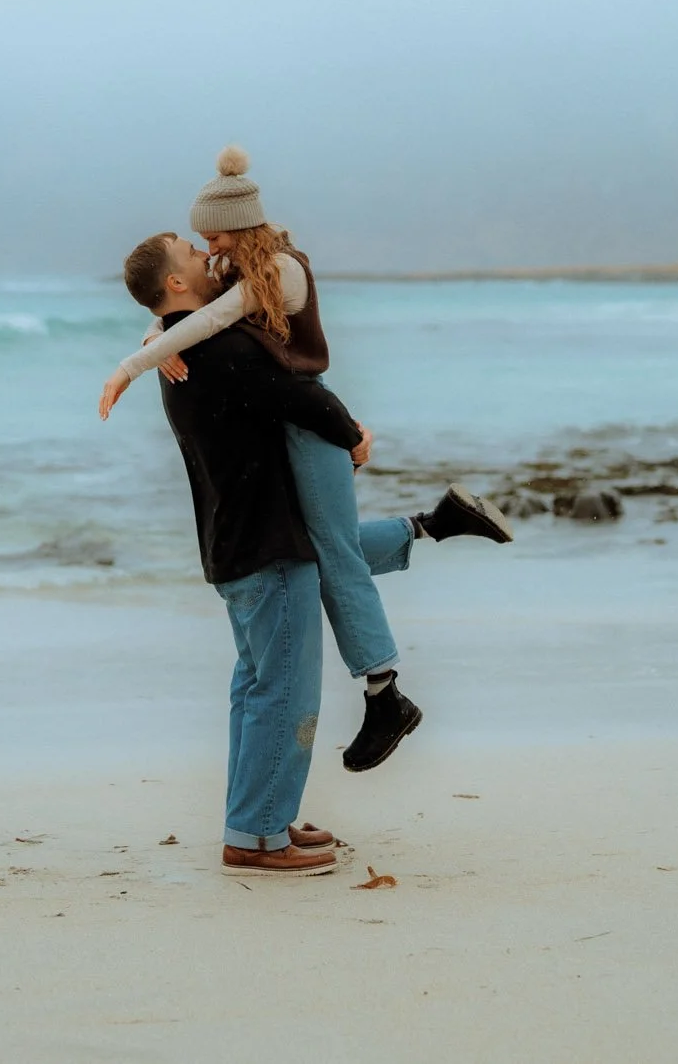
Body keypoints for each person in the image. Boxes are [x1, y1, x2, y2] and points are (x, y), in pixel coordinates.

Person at [102, 148, 511, 772]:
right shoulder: (235, 264)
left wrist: (140, 358)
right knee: (323, 544)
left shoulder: (280, 270)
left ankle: (384, 695)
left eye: (208, 231)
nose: (202, 243)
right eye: (194, 242)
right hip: (301, 422)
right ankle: (436, 523)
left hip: (311, 419)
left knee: (332, 553)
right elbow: (192, 315)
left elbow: (215, 324)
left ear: (239, 221)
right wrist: (156, 336)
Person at [124, 230, 360, 874]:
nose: (206, 255)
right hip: (266, 544)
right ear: (174, 284)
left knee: (257, 690)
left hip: (237, 544)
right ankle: (256, 836)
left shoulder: (182, 347)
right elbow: (297, 395)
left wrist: (152, 338)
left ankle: (261, 820)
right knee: (284, 694)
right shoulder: (213, 347)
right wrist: (353, 435)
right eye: (191, 256)